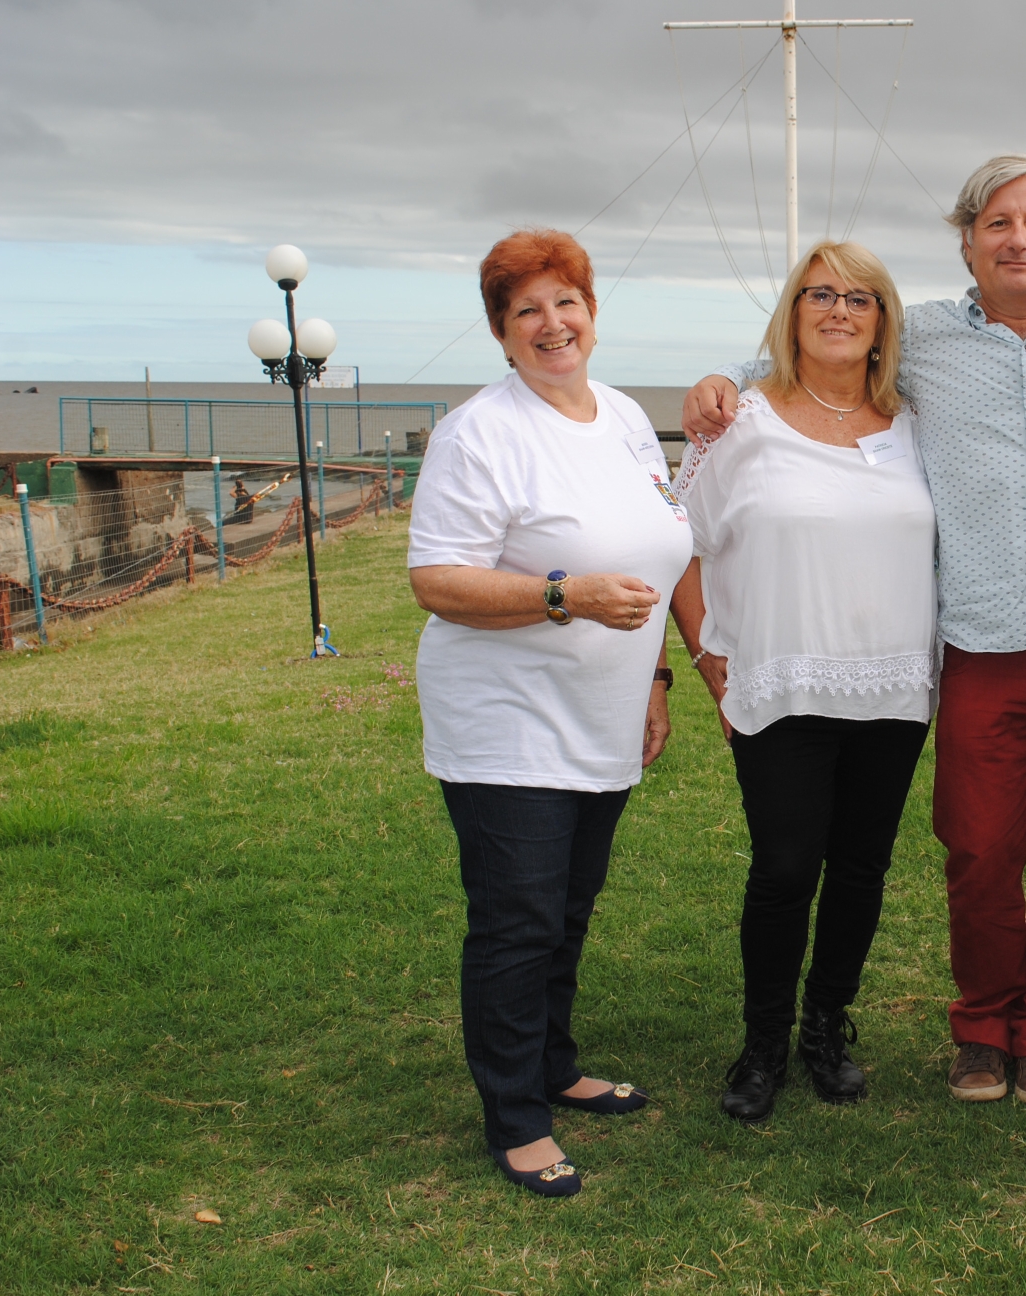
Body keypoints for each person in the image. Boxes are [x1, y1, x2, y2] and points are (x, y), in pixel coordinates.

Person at [684, 156, 1026, 1106]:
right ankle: (982, 1030)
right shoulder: (926, 336)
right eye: (996, 224)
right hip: (977, 642)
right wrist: (717, 377)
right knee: (977, 848)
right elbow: (800, 353)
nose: (1018, 239)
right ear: (968, 240)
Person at [407, 228, 693, 1198]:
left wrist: (654, 681)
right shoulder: (479, 432)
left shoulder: (616, 415)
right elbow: (438, 581)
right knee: (518, 920)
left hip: (603, 710)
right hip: (507, 722)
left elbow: (656, 552)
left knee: (566, 910)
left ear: (592, 313)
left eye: (564, 302)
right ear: (501, 332)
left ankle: (552, 1065)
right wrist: (560, 594)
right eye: (525, 310)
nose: (550, 324)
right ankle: (514, 1117)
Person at [668, 241, 936, 1124]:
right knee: (785, 869)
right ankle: (763, 1042)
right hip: (780, 683)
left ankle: (827, 1026)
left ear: (882, 323)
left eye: (861, 299)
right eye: (820, 294)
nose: (839, 310)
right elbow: (677, 543)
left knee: (861, 868)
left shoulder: (915, 423)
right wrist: (711, 658)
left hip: (894, 685)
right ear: (791, 312)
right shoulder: (738, 422)